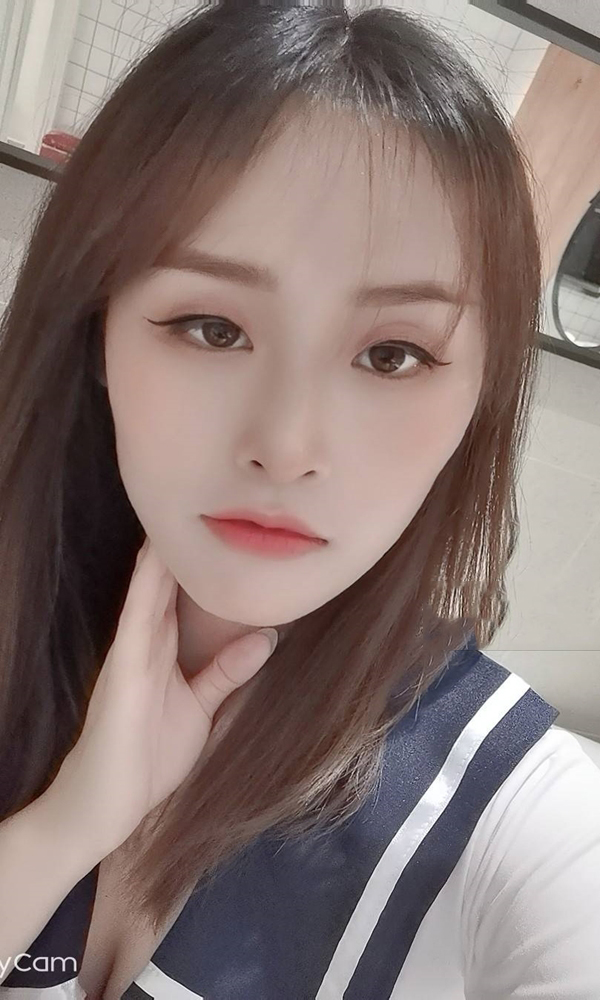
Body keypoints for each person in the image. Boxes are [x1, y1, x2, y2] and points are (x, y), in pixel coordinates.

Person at [0, 1, 599, 997]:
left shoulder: (517, 815)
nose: (285, 446)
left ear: (478, 399)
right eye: (212, 327)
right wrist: (70, 823)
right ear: (97, 331)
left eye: (391, 354)